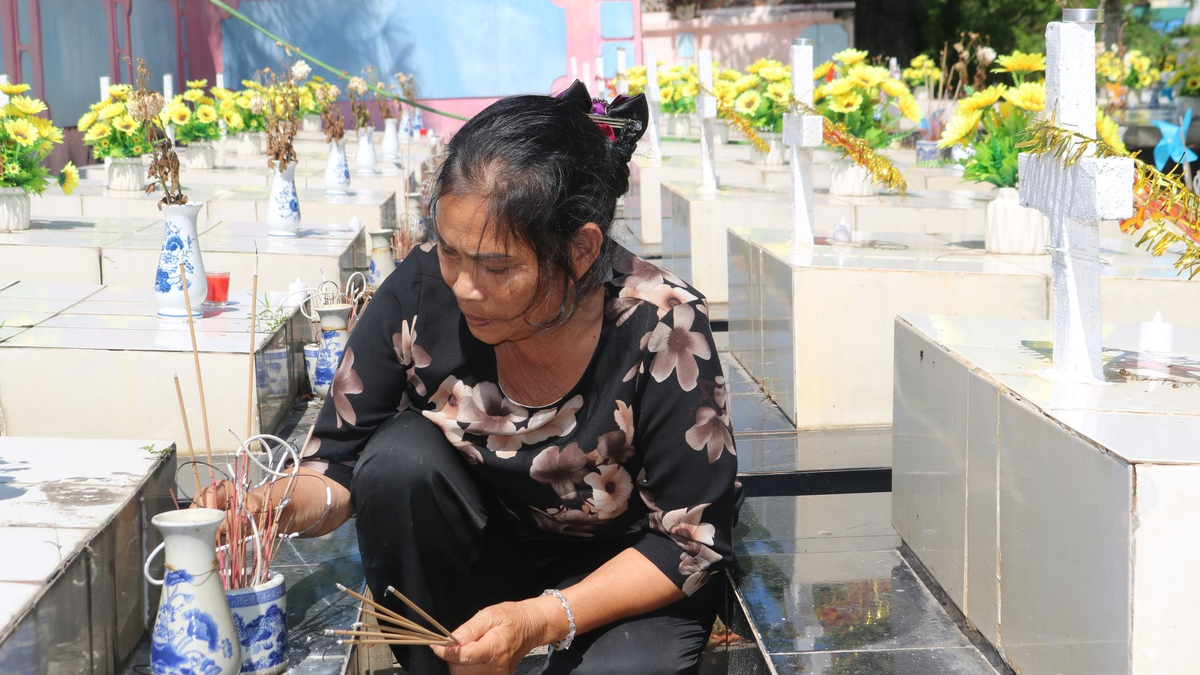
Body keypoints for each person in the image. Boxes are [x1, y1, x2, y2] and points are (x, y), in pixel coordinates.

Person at [205, 81, 738, 675]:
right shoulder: (420, 292)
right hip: (482, 557)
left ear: (581, 250)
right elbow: (335, 465)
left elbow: (692, 540)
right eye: (451, 252)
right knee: (398, 460)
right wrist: (269, 507)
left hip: (625, 573)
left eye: (496, 266)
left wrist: (542, 617)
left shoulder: (662, 327)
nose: (463, 286)